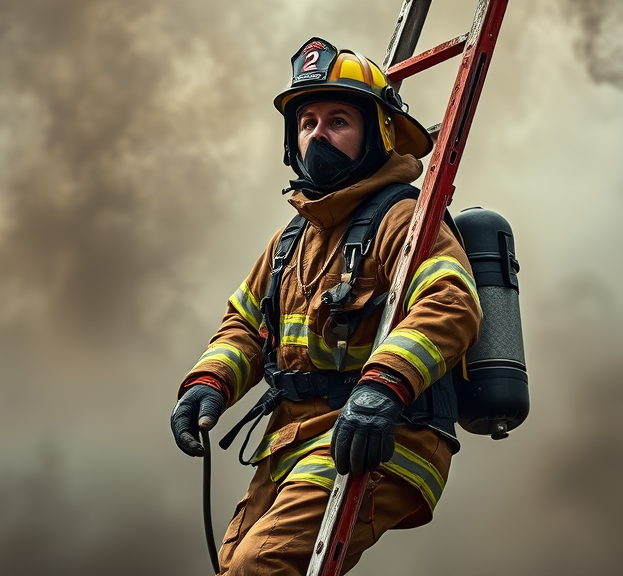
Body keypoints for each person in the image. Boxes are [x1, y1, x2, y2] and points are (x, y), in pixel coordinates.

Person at [170, 37, 482, 575]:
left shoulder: (402, 218)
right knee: (231, 567)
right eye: (307, 122)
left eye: (338, 121)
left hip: (385, 432)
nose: (318, 135)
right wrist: (209, 382)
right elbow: (244, 324)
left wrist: (383, 386)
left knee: (259, 568)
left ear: (377, 135)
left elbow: (450, 303)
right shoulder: (291, 239)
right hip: (290, 440)